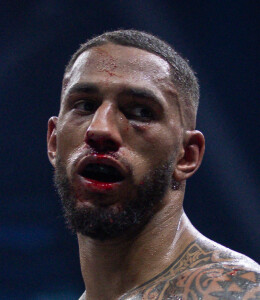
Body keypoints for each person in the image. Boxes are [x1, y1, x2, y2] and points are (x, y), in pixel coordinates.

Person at [47, 30, 260, 299]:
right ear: (54, 141)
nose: (99, 130)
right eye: (85, 105)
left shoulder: (237, 291)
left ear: (186, 156)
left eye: (141, 111)